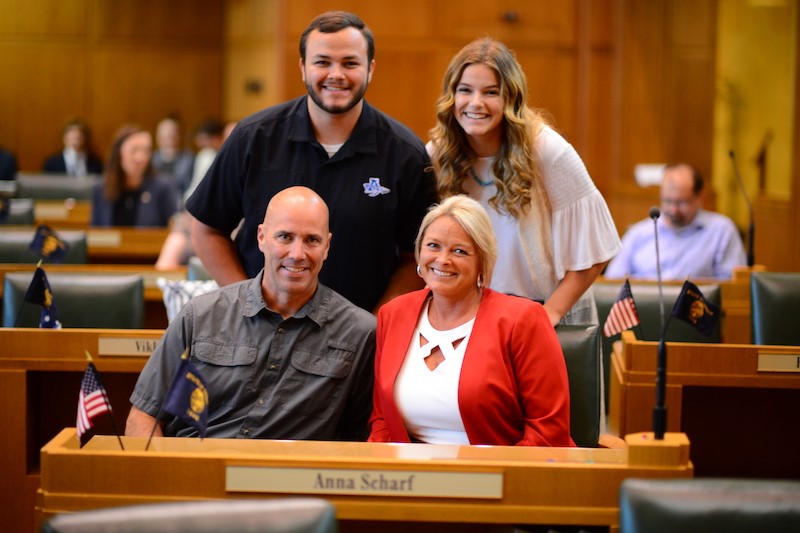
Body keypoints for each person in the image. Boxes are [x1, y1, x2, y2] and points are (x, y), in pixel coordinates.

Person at [184, 11, 436, 313]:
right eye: (322, 62)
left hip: (360, 341)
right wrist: (245, 304)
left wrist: (376, 324)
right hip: (259, 332)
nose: (336, 74)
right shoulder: (253, 138)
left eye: (350, 63)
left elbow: (416, 256)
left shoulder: (405, 153)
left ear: (370, 69)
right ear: (303, 67)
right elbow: (207, 230)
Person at [126, 186, 376, 440]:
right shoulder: (199, 315)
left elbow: (363, 437)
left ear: (327, 246)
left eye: (312, 240)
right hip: (197, 468)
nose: (297, 254)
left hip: (290, 476)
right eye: (285, 237)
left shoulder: (359, 334)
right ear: (261, 237)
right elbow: (144, 415)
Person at [428, 38, 620, 326]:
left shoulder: (549, 152)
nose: (475, 103)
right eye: (465, 90)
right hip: (468, 315)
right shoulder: (438, 155)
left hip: (538, 313)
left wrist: (550, 313)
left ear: (511, 99)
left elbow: (595, 252)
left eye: (491, 92)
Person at [368, 195, 574, 446]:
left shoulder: (523, 320)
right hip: (410, 477)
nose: (443, 260)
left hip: (496, 475)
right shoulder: (393, 314)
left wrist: (492, 480)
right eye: (433, 245)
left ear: (482, 263)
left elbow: (547, 431)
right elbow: (382, 421)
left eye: (459, 251)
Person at [604, 163, 747, 280]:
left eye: (682, 202)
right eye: (667, 201)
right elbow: (613, 282)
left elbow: (731, 288)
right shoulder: (638, 233)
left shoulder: (721, 231)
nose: (673, 210)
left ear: (700, 198)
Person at [91, 125, 179, 227]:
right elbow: (95, 233)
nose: (140, 158)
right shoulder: (101, 188)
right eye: (134, 150)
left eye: (146, 151)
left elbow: (175, 231)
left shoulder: (163, 188)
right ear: (119, 153)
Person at [182, 118, 226, 203]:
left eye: (203, 139)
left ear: (217, 138)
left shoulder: (208, 155)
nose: (198, 144)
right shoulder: (205, 156)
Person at [152, 117, 194, 196]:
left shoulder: (188, 159)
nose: (170, 140)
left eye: (173, 136)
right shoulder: (151, 159)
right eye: (166, 137)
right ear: (158, 138)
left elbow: (186, 184)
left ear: (178, 137)